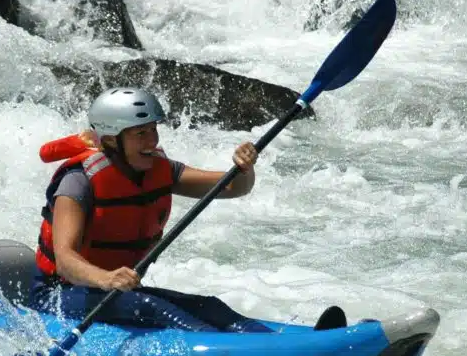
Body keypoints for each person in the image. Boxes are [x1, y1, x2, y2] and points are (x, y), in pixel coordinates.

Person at [30, 87, 347, 332]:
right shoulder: (78, 183)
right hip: (60, 294)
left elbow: (233, 187)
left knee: (210, 307)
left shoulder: (158, 169)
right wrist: (107, 279)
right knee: (151, 307)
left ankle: (280, 345)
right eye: (140, 133)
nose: (151, 140)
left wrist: (244, 168)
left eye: (153, 130)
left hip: (116, 290)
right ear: (112, 141)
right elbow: (67, 261)